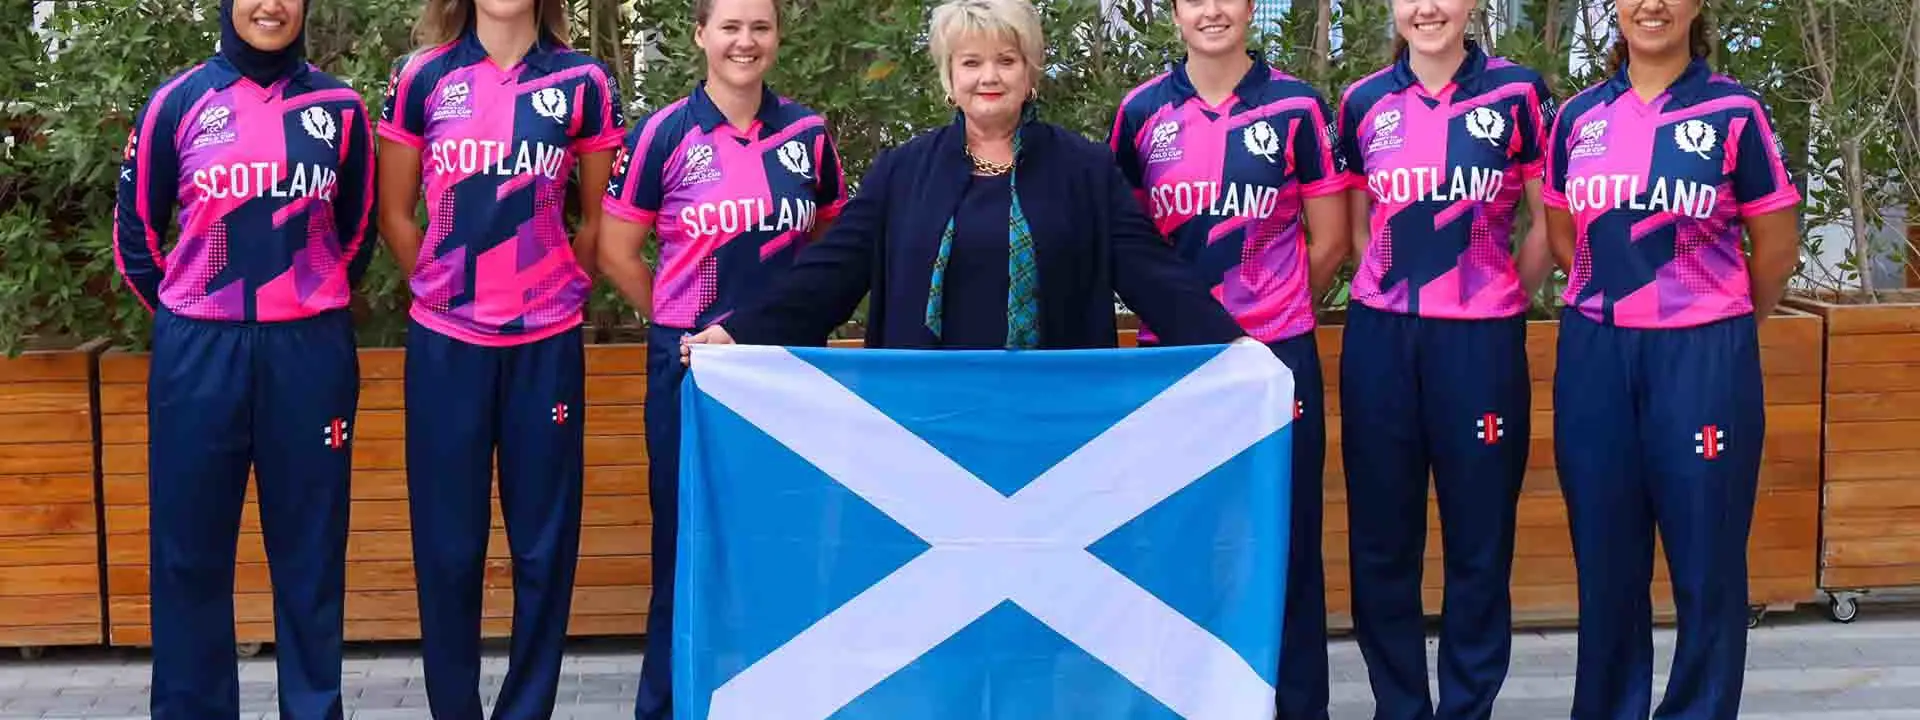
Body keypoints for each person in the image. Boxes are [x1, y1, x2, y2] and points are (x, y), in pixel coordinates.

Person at [681, 0, 1246, 356]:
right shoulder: (901, 173)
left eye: (1006, 60)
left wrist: (1234, 345)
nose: (989, 77)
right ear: (949, 79)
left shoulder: (1086, 170)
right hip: (927, 421)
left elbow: (1153, 275)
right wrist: (740, 335)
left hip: (1053, 419)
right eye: (971, 63)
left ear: (1030, 74)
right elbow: (827, 277)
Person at [113, 0, 374, 717]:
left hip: (309, 352)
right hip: (200, 351)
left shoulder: (341, 108)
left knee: (311, 557)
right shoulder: (178, 102)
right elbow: (136, 235)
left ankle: (314, 708)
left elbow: (356, 231)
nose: (272, 5)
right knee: (190, 557)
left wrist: (304, 300)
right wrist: (189, 314)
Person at [1543, 0, 1800, 715]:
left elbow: (1775, 253)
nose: (1651, 5)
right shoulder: (1577, 118)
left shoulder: (1734, 111)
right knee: (1606, 562)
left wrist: (1710, 316)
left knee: (1707, 563)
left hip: (1702, 355)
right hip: (1596, 348)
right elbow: (1565, 234)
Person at [596, 0, 847, 715]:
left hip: (787, 371)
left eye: (759, 27)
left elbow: (831, 247)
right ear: (701, 35)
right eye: (730, 27)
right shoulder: (661, 135)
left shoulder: (808, 134)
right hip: (693, 373)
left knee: (786, 542)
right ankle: (670, 702)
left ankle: (784, 697)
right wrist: (679, 322)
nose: (745, 41)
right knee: (687, 546)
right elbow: (616, 251)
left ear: (776, 38)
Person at [374, 0, 624, 716]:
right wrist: (439, 286)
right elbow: (394, 211)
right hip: (447, 345)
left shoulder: (582, 81)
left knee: (543, 551)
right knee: (448, 550)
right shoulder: (420, 76)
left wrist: (566, 285)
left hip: (544, 342)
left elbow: (598, 216)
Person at [1107, 0, 1349, 716]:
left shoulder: (1297, 106)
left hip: (1274, 361)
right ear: (1175, 12)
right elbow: (1126, 241)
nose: (1212, 10)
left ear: (1249, 8)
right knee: (1183, 539)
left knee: (1286, 539)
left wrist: (1266, 319)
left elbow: (1330, 240)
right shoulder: (1141, 112)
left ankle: (1297, 704)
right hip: (1175, 365)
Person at [1328, 1, 1554, 716]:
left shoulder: (1519, 92)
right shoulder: (1362, 101)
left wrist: (1502, 288)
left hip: (1480, 342)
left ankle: (1467, 707)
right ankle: (1400, 706)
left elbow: (1550, 219)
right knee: (1382, 545)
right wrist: (1394, 286)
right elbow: (1358, 223)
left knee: (1479, 542)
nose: (1426, 8)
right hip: (1382, 340)